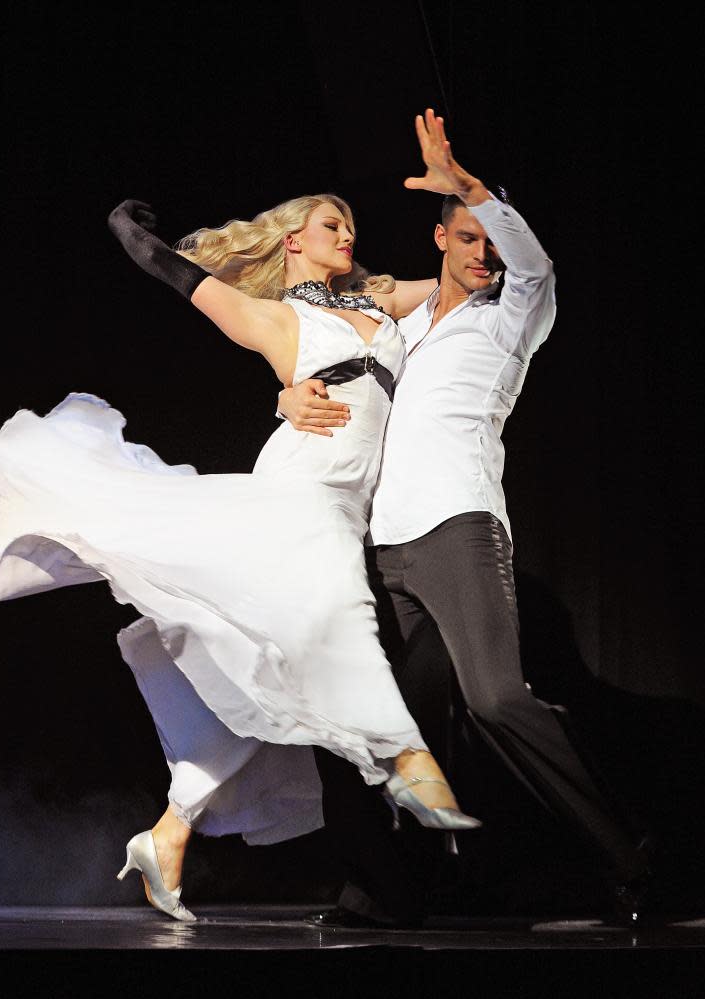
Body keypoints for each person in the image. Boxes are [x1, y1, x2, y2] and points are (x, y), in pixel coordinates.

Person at [0, 135, 482, 923]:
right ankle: (410, 766)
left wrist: (470, 202)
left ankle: (170, 831)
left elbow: (465, 282)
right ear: (291, 240)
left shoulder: (378, 299)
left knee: (265, 679)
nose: (346, 234)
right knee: (337, 628)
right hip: (298, 497)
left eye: (349, 225)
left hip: (348, 507)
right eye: (330, 224)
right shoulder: (277, 317)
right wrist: (130, 231)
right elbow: (185, 280)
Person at [278, 109, 651, 928]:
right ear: (440, 241)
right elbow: (317, 344)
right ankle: (398, 883)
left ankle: (632, 858)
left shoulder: (511, 316)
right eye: (469, 236)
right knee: (395, 725)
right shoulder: (402, 328)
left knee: (493, 700)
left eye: (492, 239)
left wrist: (470, 187)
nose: (484, 252)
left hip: (459, 528)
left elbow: (535, 263)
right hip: (388, 544)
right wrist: (288, 391)